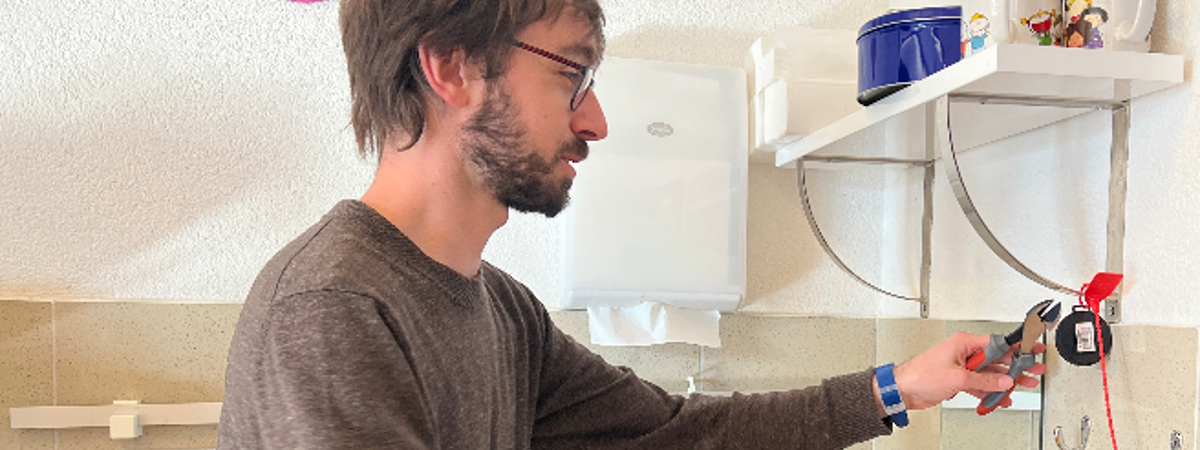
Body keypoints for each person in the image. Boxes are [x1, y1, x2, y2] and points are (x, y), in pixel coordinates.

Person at [217, 0, 1046, 448]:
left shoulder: (503, 313)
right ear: (452, 68)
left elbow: (680, 435)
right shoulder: (333, 312)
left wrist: (900, 386)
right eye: (571, 77)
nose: (598, 120)